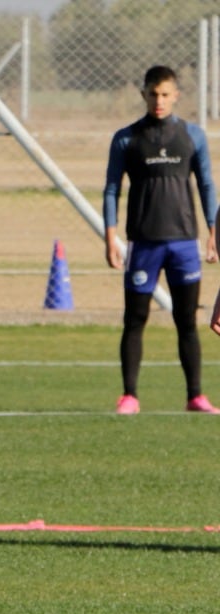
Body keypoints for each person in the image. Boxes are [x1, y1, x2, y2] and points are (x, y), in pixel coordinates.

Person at [104, 65, 219, 414]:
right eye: (153, 94)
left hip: (184, 241)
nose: (159, 101)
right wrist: (110, 235)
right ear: (144, 94)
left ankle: (195, 396)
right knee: (135, 318)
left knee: (187, 320)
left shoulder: (192, 136)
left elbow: (206, 185)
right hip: (144, 241)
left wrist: (214, 231)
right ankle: (130, 396)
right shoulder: (127, 139)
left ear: (176, 95)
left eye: (166, 94)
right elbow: (112, 188)